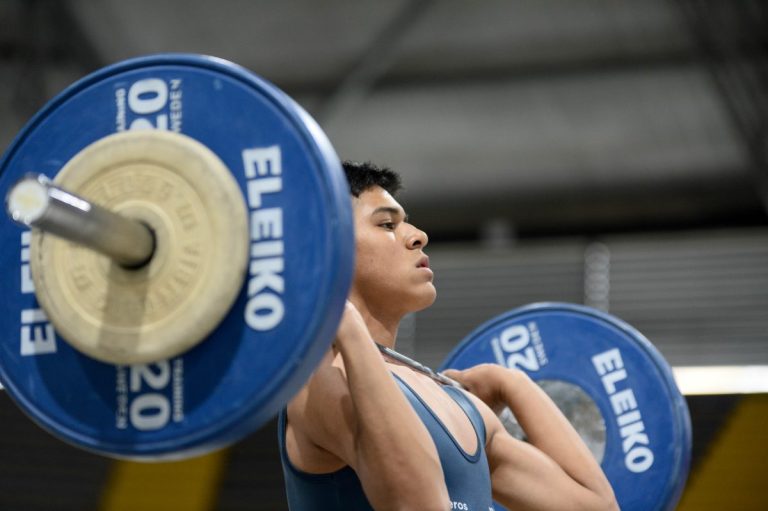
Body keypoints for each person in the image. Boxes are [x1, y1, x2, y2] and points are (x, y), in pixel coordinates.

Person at [278, 161, 619, 511]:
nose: (417, 235)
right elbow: (418, 504)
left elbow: (597, 506)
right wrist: (346, 325)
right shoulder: (322, 381)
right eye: (386, 224)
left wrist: (511, 384)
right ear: (328, 246)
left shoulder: (454, 401)